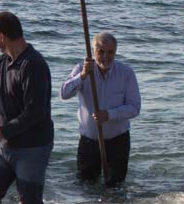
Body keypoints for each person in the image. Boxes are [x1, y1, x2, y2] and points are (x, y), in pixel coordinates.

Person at [0, 11, 54, 204]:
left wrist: (2, 131)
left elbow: (35, 112)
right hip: (4, 147)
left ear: (1, 36)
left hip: (32, 147)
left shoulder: (33, 65)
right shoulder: (1, 62)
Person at [60, 32, 141, 185]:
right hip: (89, 142)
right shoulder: (81, 68)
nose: (105, 56)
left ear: (115, 52)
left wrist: (109, 114)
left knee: (115, 188)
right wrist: (82, 75)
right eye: (101, 51)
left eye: (110, 52)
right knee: (85, 187)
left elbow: (134, 108)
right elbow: (64, 94)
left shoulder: (126, 73)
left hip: (118, 142)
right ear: (93, 51)